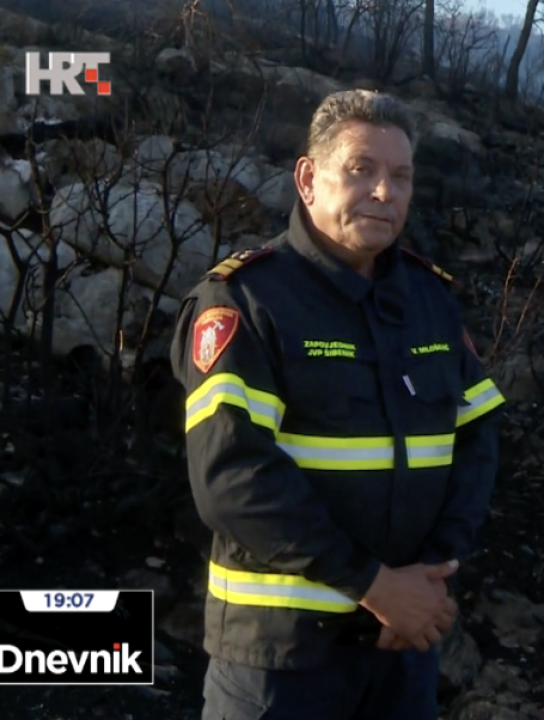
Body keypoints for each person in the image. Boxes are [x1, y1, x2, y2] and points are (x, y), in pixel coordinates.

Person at [169, 89, 506, 720]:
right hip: (279, 665)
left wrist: (430, 576)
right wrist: (377, 587)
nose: (385, 192)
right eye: (362, 170)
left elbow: (476, 443)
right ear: (307, 178)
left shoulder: (430, 301)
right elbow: (231, 477)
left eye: (400, 177)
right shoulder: (246, 301)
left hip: (403, 654)